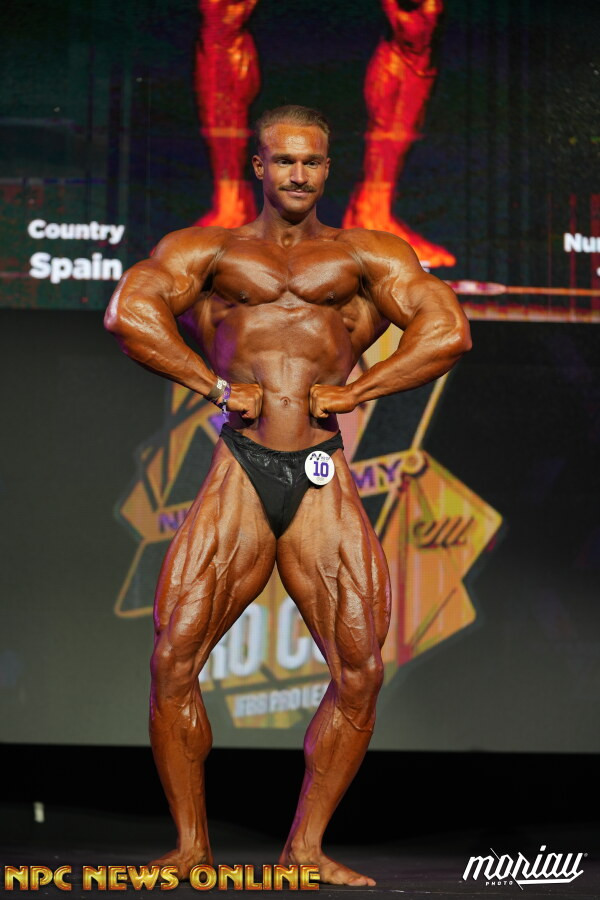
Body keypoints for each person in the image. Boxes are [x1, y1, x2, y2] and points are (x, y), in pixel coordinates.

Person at [104, 104, 471, 886]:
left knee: (360, 670)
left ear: (327, 168)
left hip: (321, 470)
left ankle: (305, 849)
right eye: (283, 160)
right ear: (259, 166)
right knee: (174, 658)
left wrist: (362, 388)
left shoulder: (366, 255)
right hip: (241, 466)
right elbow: (129, 312)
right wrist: (210, 384)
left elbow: (447, 330)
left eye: (311, 161)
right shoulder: (210, 250)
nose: (297, 174)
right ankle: (191, 848)